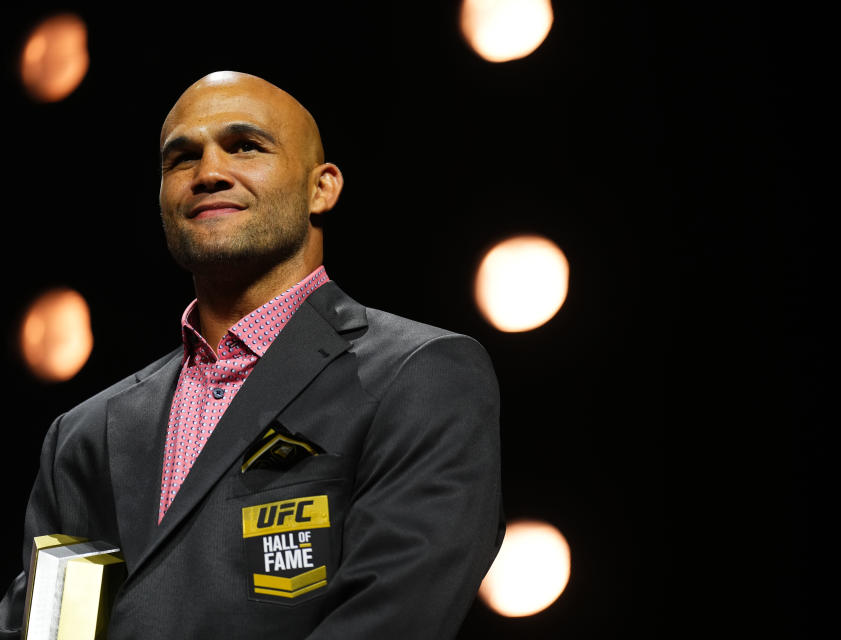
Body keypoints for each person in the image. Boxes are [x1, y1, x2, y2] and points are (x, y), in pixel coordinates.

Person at [0, 71, 504, 639]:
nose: (209, 173)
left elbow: (392, 617)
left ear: (323, 188)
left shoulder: (419, 374)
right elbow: (57, 633)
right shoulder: (85, 433)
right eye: (182, 158)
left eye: (245, 147)